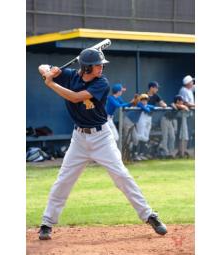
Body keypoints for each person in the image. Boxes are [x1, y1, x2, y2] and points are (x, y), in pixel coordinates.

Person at [37, 48, 167, 240]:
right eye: (98, 65)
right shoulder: (70, 76)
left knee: (121, 176)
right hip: (79, 139)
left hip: (101, 138)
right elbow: (42, 66)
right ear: (87, 67)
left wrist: (51, 84)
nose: (101, 68)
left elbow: (75, 97)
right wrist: (50, 71)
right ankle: (47, 223)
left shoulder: (101, 83)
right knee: (63, 180)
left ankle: (149, 215)